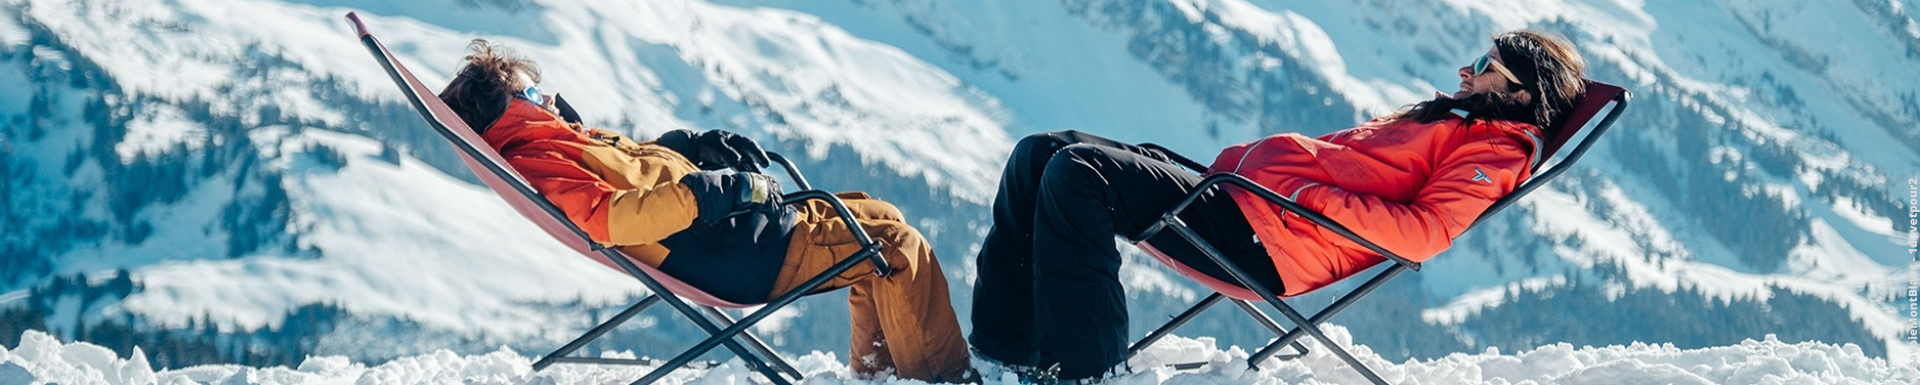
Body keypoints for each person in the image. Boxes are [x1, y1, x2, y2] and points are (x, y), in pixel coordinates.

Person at [969, 30, 1587, 382]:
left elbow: (1424, 234)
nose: (1465, 70)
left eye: (1484, 66)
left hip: (1266, 238)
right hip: (1244, 203)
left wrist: (1309, 196)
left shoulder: (1495, 152)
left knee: (1077, 174)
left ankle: (1083, 370)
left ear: (1521, 93)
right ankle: (1004, 353)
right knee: (1039, 152)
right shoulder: (1463, 122)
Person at [435, 39, 971, 382]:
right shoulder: (543, 153)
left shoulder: (557, 141)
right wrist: (711, 193)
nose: (548, 96)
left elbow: (638, 172)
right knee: (896, 248)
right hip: (735, 250)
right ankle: (943, 380)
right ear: (510, 105)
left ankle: (880, 373)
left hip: (733, 233)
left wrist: (689, 146)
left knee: (878, 216)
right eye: (531, 88)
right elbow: (611, 218)